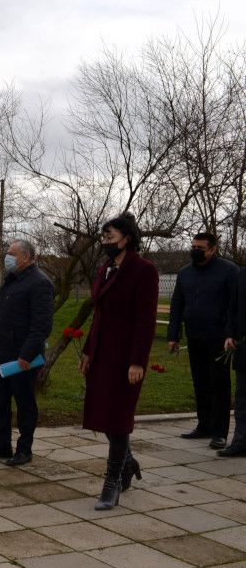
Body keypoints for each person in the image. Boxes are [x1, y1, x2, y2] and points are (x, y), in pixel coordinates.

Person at [80, 213, 158, 510]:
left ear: (127, 237)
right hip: (102, 355)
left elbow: (145, 321)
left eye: (110, 237)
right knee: (104, 415)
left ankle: (111, 482)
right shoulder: (106, 268)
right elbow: (99, 313)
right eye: (103, 237)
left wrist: (138, 361)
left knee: (119, 417)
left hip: (126, 359)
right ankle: (127, 462)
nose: (105, 242)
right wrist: (88, 350)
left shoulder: (144, 270)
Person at [0, 240, 54, 466]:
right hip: (2, 355)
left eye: (11, 254)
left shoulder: (40, 283)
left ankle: (24, 449)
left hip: (22, 359)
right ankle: (0, 445)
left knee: (24, 404)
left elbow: (41, 326)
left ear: (28, 257)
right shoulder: (9, 282)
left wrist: (26, 355)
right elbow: (1, 319)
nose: (7, 258)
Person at [167, 232, 238, 450]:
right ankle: (204, 425)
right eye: (193, 246)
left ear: (213, 249)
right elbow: (177, 303)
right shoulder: (185, 273)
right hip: (194, 334)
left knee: (219, 384)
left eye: (200, 248)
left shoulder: (229, 271)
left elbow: (234, 306)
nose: (195, 251)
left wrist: (231, 333)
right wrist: (173, 335)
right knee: (200, 382)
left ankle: (219, 432)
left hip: (219, 337)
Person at [221, 266, 246, 457]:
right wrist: (229, 333)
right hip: (242, 347)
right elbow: (233, 307)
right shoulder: (242, 273)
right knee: (242, 398)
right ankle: (240, 442)